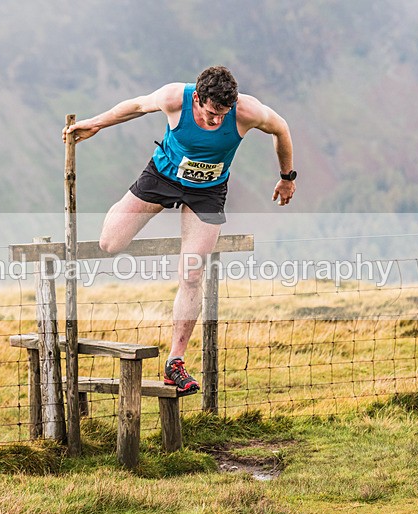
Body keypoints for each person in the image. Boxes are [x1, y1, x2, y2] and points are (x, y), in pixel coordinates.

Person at [62, 65, 296, 396]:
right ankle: (127, 207)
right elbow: (136, 106)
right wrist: (95, 123)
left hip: (208, 190)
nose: (216, 121)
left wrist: (287, 178)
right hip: (163, 176)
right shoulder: (175, 97)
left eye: (223, 114)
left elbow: (281, 129)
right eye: (211, 113)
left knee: (192, 273)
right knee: (110, 242)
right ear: (197, 98)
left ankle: (175, 361)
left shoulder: (247, 111)